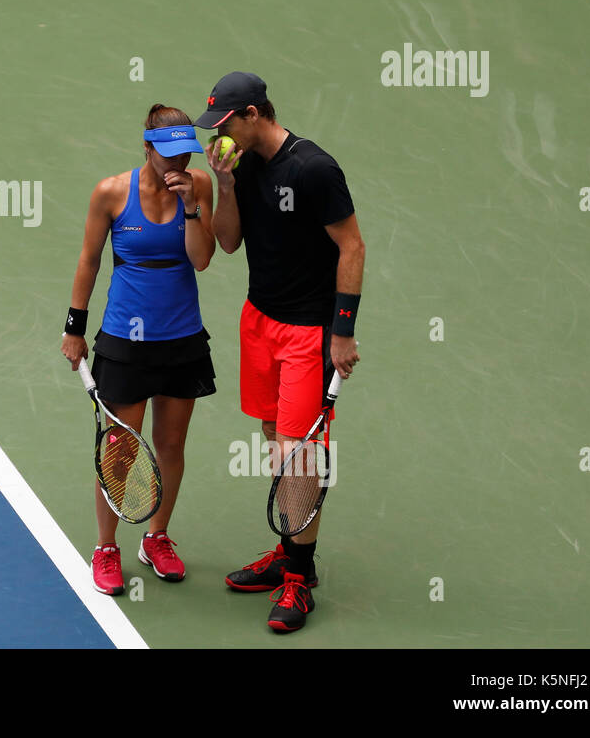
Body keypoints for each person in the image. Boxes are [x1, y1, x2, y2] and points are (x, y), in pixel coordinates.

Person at [197, 71, 365, 632]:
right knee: (274, 438)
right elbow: (226, 242)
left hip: (307, 333)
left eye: (223, 125)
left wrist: (341, 332)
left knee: (301, 450)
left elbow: (352, 245)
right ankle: (290, 549)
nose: (215, 136)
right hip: (259, 321)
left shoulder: (314, 168)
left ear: (253, 115)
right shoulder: (239, 165)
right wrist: (224, 183)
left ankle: (299, 577)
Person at [61, 103, 217, 595]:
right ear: (147, 148)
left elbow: (203, 258)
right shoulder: (111, 193)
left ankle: (157, 537)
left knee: (171, 446)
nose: (176, 164)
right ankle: (106, 547)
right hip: (125, 342)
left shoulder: (199, 187)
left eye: (183, 155)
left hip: (182, 338)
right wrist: (74, 328)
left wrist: (192, 207)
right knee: (121, 448)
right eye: (166, 154)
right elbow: (88, 261)